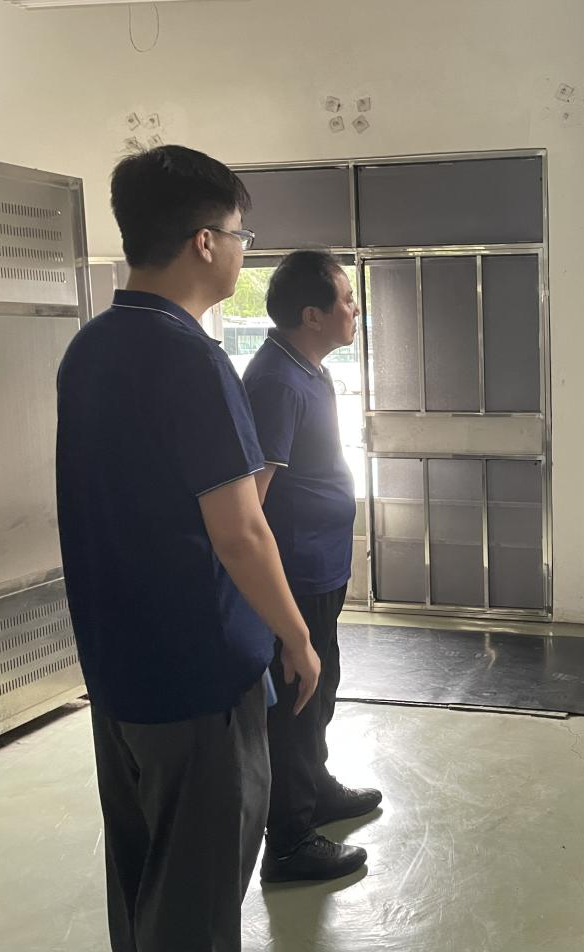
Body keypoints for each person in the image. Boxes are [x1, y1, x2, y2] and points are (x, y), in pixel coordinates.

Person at [56, 145, 320, 952]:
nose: (242, 251)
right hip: (199, 673)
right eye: (240, 235)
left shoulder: (90, 347)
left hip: (119, 667)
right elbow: (239, 530)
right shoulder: (191, 358)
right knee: (199, 899)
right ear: (204, 242)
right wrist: (297, 636)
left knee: (141, 876)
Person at [242, 250, 382, 882]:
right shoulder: (276, 381)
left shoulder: (309, 368)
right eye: (347, 300)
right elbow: (252, 499)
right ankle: (290, 840)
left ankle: (315, 788)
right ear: (312, 315)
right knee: (295, 700)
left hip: (321, 567)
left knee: (320, 684)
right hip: (294, 573)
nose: (355, 310)